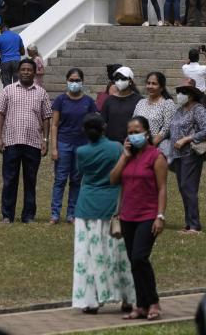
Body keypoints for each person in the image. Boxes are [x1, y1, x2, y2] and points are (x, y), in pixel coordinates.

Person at [72, 114, 136, 315]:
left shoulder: (81, 151)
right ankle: (126, 297)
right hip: (111, 204)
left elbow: (80, 173)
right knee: (117, 253)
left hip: (86, 205)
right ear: (104, 128)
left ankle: (90, 301)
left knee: (87, 255)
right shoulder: (116, 148)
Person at [110, 116, 168, 321]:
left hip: (148, 215)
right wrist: (125, 156)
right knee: (134, 263)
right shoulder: (128, 156)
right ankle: (141, 305)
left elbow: (162, 188)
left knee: (139, 258)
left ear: (147, 132)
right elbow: (113, 179)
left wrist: (160, 216)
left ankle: (153, 302)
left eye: (137, 132)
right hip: (128, 215)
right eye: (130, 133)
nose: (133, 136)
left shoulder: (157, 156)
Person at [0, 58, 53, 224]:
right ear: (19, 72)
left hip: (33, 143)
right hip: (11, 142)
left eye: (29, 70)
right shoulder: (8, 90)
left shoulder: (41, 92)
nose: (26, 72)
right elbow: (0, 114)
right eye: (23, 69)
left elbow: (47, 117)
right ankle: (7, 215)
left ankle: (28, 216)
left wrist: (45, 140)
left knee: (30, 180)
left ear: (34, 72)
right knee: (10, 180)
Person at [49, 68, 98, 224]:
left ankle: (72, 213)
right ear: (67, 81)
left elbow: (93, 125)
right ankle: (55, 213)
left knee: (76, 180)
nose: (74, 83)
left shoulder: (89, 102)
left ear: (82, 81)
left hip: (82, 146)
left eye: (77, 80)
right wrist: (54, 148)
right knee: (60, 180)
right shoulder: (60, 100)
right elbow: (54, 125)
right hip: (63, 143)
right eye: (71, 80)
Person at [169, 81, 206, 235]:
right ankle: (188, 223)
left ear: (192, 95)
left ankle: (194, 225)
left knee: (189, 187)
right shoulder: (179, 110)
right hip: (177, 155)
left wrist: (187, 139)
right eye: (179, 91)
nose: (180, 95)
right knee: (183, 188)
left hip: (191, 154)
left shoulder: (198, 109)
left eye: (184, 92)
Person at [133, 72, 177, 155]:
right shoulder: (141, 102)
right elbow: (133, 121)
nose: (150, 86)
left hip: (155, 148)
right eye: (148, 83)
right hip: (137, 145)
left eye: (154, 84)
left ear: (161, 87)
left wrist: (150, 145)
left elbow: (166, 128)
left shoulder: (167, 103)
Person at [101, 66, 142, 143]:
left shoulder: (139, 100)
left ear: (130, 81)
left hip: (132, 143)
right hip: (111, 144)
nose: (119, 81)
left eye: (123, 78)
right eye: (117, 78)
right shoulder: (109, 100)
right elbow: (103, 122)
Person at [0, 21, 25, 87]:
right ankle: (17, 96)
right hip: (17, 61)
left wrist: (0, 64)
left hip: (5, 62)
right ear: (8, 28)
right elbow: (23, 52)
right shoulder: (17, 36)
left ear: (1, 30)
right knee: (17, 84)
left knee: (7, 84)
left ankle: (8, 97)